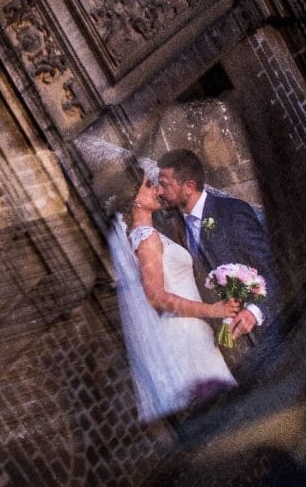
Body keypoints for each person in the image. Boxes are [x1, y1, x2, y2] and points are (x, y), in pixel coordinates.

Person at [103, 157, 239, 421]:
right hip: (183, 334)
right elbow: (156, 297)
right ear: (134, 200)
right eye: (147, 187)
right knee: (222, 416)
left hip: (186, 329)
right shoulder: (148, 239)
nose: (156, 190)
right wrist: (211, 310)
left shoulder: (142, 235)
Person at [156, 148, 280, 383]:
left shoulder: (232, 212)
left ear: (189, 187)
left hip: (263, 341)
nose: (160, 191)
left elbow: (272, 268)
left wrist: (254, 312)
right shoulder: (176, 226)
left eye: (165, 184)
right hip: (222, 350)